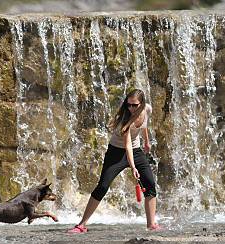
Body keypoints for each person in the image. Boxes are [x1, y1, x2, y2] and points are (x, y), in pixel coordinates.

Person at [68, 89, 162, 233]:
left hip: (137, 151)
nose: (131, 108)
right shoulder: (125, 120)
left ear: (142, 104)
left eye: (134, 105)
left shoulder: (147, 109)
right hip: (117, 152)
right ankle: (81, 224)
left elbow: (144, 126)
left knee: (150, 184)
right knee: (103, 186)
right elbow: (127, 146)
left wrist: (147, 142)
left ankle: (151, 224)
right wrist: (133, 167)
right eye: (128, 105)